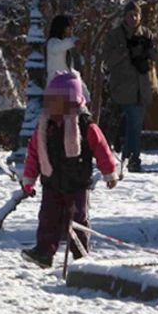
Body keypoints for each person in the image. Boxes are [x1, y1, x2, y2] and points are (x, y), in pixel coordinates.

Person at [20, 71, 118, 268]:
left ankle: (81, 256)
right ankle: (44, 252)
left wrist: (109, 172)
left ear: (72, 101)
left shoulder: (85, 126)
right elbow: (34, 154)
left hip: (77, 184)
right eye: (50, 100)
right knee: (48, 218)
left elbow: (101, 148)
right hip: (51, 183)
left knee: (78, 219)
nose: (53, 105)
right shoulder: (44, 127)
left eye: (58, 100)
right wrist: (29, 179)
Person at [101, 1, 158, 173]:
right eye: (130, 15)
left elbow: (157, 55)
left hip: (142, 86)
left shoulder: (146, 33)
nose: (133, 18)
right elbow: (108, 59)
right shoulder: (115, 36)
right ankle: (132, 158)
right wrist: (126, 50)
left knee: (135, 124)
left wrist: (151, 49)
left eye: (136, 15)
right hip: (123, 86)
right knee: (132, 122)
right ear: (124, 17)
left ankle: (128, 157)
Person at [46, 14, 90, 101]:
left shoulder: (66, 46)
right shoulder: (53, 43)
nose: (71, 31)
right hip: (57, 87)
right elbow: (56, 48)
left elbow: (69, 69)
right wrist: (73, 41)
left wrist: (84, 92)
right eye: (69, 28)